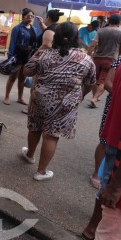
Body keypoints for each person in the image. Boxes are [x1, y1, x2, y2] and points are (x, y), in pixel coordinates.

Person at [21, 22, 96, 181]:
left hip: (40, 98)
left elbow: (26, 70)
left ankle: (29, 155)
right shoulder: (86, 59)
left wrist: (42, 47)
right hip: (66, 103)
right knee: (51, 135)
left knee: (35, 127)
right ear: (77, 37)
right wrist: (81, 95)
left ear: (56, 37)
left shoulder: (45, 54)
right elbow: (90, 83)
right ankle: (41, 172)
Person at [82, 54, 121, 240]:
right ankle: (93, 230)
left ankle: (93, 229)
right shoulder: (120, 61)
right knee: (108, 183)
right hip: (116, 133)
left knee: (106, 177)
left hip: (115, 129)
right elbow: (108, 83)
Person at [87, 14, 121, 108]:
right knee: (103, 81)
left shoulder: (101, 31)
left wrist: (88, 55)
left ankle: (94, 96)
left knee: (95, 79)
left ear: (108, 21)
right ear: (119, 22)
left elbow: (93, 45)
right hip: (110, 60)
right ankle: (95, 98)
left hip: (97, 58)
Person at [3, 8, 37, 106]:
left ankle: (20, 98)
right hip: (17, 56)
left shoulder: (33, 29)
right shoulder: (17, 28)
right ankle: (6, 96)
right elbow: (12, 43)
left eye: (32, 16)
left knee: (22, 78)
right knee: (13, 77)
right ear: (23, 17)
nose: (30, 18)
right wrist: (10, 58)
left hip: (27, 57)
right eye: (28, 16)